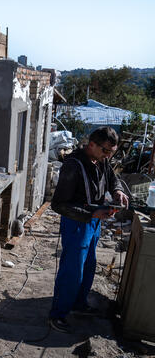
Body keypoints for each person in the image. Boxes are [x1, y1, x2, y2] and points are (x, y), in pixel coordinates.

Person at [49, 126, 129, 333]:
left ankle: (78, 303)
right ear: (91, 144)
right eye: (105, 151)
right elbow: (58, 204)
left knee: (89, 265)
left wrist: (118, 191)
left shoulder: (102, 160)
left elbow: (112, 179)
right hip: (76, 222)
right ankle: (58, 314)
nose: (108, 156)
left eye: (112, 152)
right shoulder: (73, 165)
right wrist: (90, 214)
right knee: (72, 270)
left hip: (95, 221)